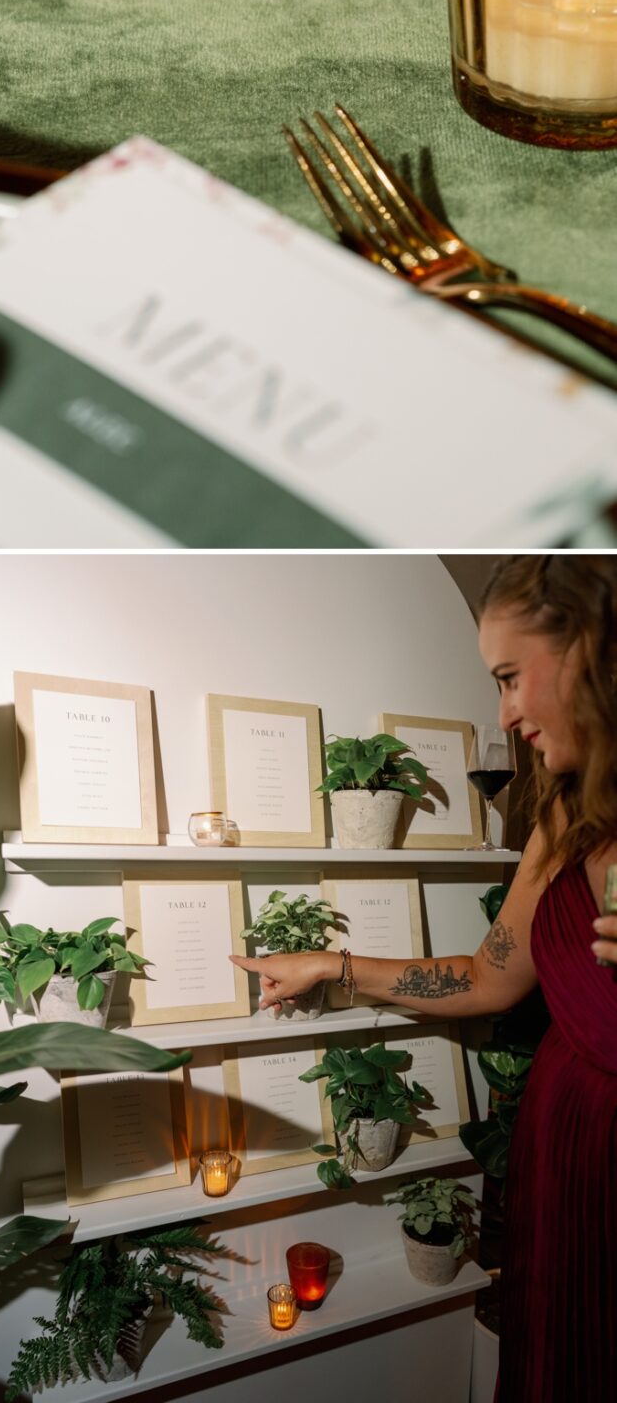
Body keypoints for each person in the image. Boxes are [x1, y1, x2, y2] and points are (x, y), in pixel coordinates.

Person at [231, 554, 617, 1403]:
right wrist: (331, 967)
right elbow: (486, 977)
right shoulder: (563, 814)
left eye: (512, 678)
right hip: (565, 1147)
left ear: (591, 654)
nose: (506, 714)